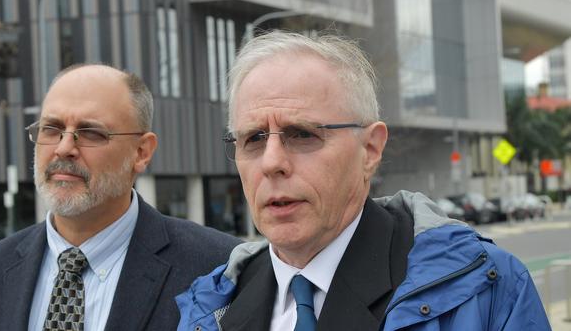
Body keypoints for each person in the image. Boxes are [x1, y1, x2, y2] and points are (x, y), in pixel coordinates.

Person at [176, 31, 550, 330]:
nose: (272, 162)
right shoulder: (210, 307)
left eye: (302, 134)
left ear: (370, 149)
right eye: (254, 138)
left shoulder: (485, 290)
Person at [0, 64, 241, 331]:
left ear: (141, 152)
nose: (64, 148)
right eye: (51, 129)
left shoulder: (218, 268)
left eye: (90, 133)